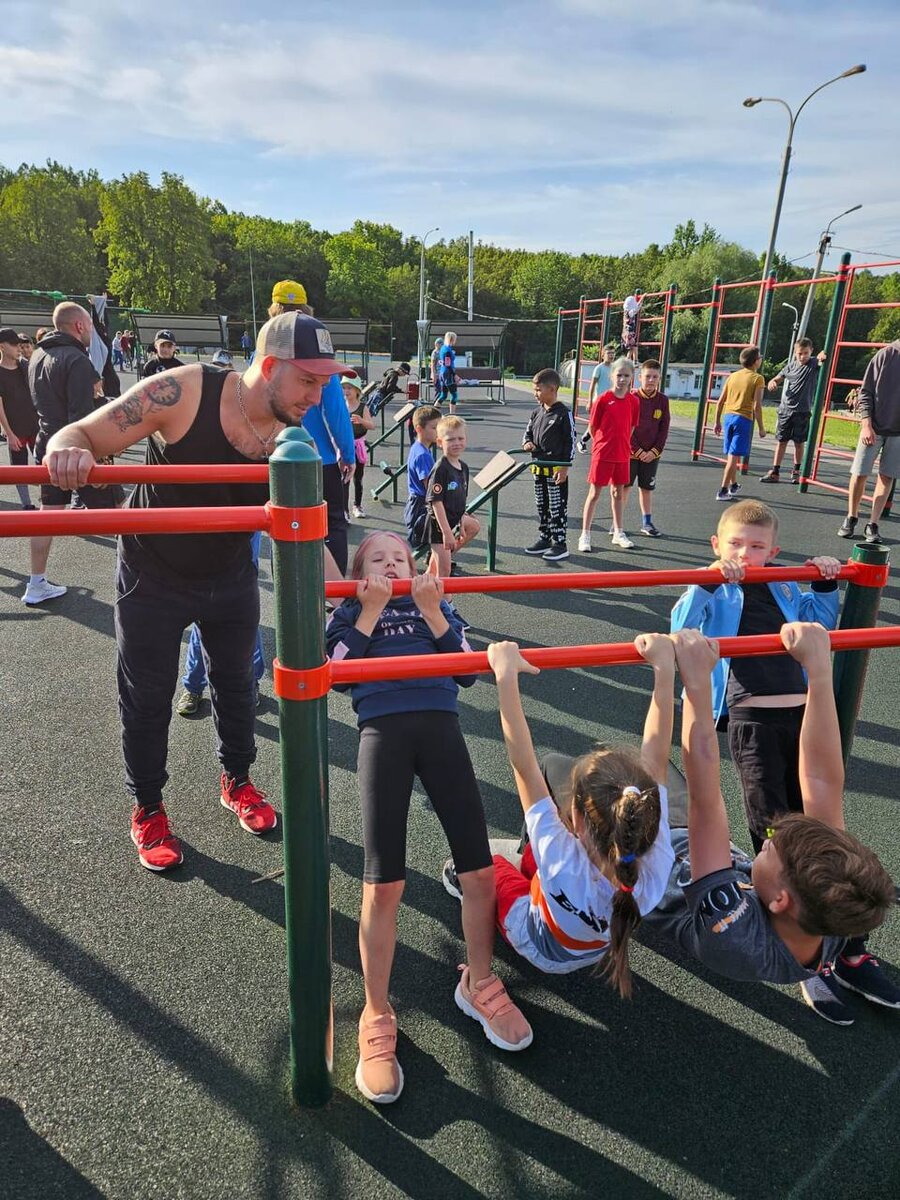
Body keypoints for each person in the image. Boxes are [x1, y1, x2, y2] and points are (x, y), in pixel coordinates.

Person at [43, 312, 350, 872]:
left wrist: (365, 588)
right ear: (273, 366)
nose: (319, 393)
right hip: (152, 571)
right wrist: (68, 449)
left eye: (324, 381)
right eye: (309, 379)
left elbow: (312, 539)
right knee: (147, 696)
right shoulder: (183, 391)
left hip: (228, 573)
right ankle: (149, 807)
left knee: (238, 686)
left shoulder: (291, 437)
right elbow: (83, 431)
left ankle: (236, 779)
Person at [326, 532, 532, 1104]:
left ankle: (480, 980)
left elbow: (467, 668)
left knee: (479, 872)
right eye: (377, 559)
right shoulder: (349, 610)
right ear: (359, 573)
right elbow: (335, 672)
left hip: (441, 730)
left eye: (400, 558)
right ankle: (376, 1009)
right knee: (384, 883)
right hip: (383, 733)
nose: (392, 565)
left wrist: (432, 606)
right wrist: (367, 608)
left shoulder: (435, 605)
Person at [643, 625, 897, 1023]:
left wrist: (696, 684)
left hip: (650, 865)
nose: (764, 843)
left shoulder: (732, 933)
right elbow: (822, 783)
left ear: (780, 900)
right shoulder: (832, 909)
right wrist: (818, 670)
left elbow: (705, 803)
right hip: (697, 850)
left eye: (769, 849)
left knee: (573, 781)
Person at [442, 633, 676, 989]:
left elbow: (524, 765)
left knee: (488, 871)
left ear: (577, 820)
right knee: (538, 853)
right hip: (590, 948)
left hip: (535, 941)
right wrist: (665, 669)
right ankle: (527, 871)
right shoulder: (653, 860)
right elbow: (656, 760)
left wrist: (505, 676)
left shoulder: (561, 855)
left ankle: (468, 883)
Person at [175, 348, 266, 718]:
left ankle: (243, 679)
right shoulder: (195, 423)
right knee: (205, 613)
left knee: (238, 609)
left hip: (242, 528)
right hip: (202, 534)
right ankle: (197, 684)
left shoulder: (258, 422)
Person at [25, 302, 126, 606]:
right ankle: (144, 583)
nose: (92, 332)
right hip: (77, 451)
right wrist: (101, 455)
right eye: (91, 327)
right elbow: (82, 418)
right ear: (80, 326)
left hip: (46, 446)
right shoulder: (77, 361)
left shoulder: (38, 355)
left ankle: (36, 582)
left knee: (48, 515)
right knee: (124, 514)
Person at [264, 278, 356, 571]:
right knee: (332, 522)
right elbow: (336, 411)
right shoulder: (316, 351)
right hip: (319, 456)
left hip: (275, 454)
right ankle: (336, 595)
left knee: (282, 522)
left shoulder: (262, 352)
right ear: (306, 309)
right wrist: (348, 453)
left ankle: (290, 587)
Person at [838, 337, 900, 546]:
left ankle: (873, 523)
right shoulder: (886, 355)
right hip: (874, 425)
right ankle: (851, 516)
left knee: (887, 477)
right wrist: (866, 424)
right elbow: (866, 392)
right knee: (860, 472)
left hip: (898, 432)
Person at [578, 356, 640, 552]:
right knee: (594, 493)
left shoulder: (634, 401)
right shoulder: (603, 399)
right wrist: (602, 445)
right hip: (603, 453)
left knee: (618, 493)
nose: (622, 379)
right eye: (619, 375)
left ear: (632, 377)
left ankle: (618, 532)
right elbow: (593, 427)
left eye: (626, 375)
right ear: (612, 375)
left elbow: (631, 426)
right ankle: (585, 535)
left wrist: (623, 444)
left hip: (622, 455)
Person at [522, 368, 574, 561]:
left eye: (538, 390)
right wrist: (527, 443)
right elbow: (527, 433)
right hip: (538, 468)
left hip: (556, 470)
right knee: (541, 505)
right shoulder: (536, 412)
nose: (535, 394)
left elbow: (570, 442)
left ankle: (560, 543)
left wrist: (564, 467)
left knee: (557, 507)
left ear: (552, 389)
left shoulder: (563, 414)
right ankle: (545, 538)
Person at [760, 338, 827, 485]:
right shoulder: (790, 366)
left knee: (799, 442)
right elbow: (778, 378)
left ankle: (796, 471)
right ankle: (775, 471)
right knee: (781, 441)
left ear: (811, 352)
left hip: (802, 411)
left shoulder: (813, 363)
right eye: (799, 353)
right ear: (795, 353)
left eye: (806, 353)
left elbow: (822, 358)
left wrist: (822, 356)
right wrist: (772, 382)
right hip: (785, 409)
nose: (802, 356)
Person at [621, 358, 670, 538]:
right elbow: (627, 429)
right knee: (624, 488)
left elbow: (664, 429)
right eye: (647, 376)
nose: (651, 380)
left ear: (659, 379)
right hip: (631, 453)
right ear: (639, 377)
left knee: (646, 488)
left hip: (652, 454)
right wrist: (638, 451)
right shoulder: (631, 398)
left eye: (655, 377)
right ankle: (617, 524)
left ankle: (647, 522)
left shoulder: (663, 400)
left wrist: (654, 451)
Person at [425, 414, 479, 577]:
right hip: (438, 526)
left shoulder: (463, 467)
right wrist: (446, 532)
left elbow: (460, 499)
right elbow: (436, 503)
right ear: (440, 442)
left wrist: (461, 522)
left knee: (436, 569)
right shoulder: (441, 468)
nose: (456, 443)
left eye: (460, 438)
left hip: (453, 521)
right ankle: (444, 602)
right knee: (444, 571)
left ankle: (421, 591)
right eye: (450, 439)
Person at [712, 345, 765, 502]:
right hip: (743, 420)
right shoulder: (757, 378)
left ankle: (733, 484)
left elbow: (720, 401)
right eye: (760, 357)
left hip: (729, 417)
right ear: (756, 361)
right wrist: (761, 428)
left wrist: (717, 421)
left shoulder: (733, 376)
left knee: (732, 456)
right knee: (733, 457)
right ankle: (722, 490)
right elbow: (757, 406)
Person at [0, 327, 39, 509]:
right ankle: (27, 505)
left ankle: (47, 501)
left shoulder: (26, 365)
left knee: (43, 463)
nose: (19, 348)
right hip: (15, 428)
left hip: (36, 425)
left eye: (20, 344)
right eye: (14, 344)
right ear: (2, 346)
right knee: (19, 468)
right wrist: (9, 433)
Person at [404, 404, 440, 550]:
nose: (438, 431)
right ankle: (439, 561)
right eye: (434, 427)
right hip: (421, 506)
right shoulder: (422, 455)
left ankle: (436, 557)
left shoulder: (418, 447)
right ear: (419, 429)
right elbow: (429, 487)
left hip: (416, 503)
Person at [342, 370, 375, 520]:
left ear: (357, 391)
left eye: (350, 388)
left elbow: (371, 426)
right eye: (344, 387)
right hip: (344, 445)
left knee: (358, 478)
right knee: (344, 478)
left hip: (358, 445)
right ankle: (344, 510)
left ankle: (357, 505)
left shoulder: (363, 407)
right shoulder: (341, 405)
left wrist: (361, 421)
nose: (346, 391)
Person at [577, 343, 617, 450]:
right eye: (609, 353)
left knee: (609, 423)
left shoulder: (615, 368)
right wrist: (589, 401)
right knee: (595, 423)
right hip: (599, 401)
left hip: (611, 401)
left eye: (613, 353)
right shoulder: (599, 368)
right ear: (603, 355)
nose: (611, 356)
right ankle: (583, 441)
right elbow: (592, 385)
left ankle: (604, 443)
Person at [435, 332, 459, 413]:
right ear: (452, 339)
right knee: (454, 395)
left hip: (442, 373)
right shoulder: (447, 350)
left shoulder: (443, 348)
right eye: (455, 338)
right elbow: (448, 364)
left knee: (443, 395)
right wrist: (455, 375)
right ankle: (452, 414)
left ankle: (434, 412)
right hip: (447, 374)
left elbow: (442, 361)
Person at [622, 294, 642, 362]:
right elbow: (637, 308)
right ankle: (635, 361)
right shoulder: (630, 313)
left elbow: (636, 307)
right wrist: (643, 297)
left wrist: (640, 301)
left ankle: (627, 361)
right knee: (635, 347)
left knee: (631, 348)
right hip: (629, 333)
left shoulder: (626, 312)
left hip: (626, 332)